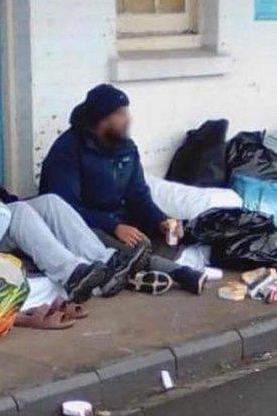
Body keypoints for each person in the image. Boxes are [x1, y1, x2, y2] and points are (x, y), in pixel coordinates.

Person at [0, 99, 151, 303]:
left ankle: (108, 262)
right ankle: (72, 275)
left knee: (49, 202)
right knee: (16, 211)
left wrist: (1, 199)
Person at [39, 84, 207, 295]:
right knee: (115, 248)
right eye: (120, 114)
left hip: (121, 220)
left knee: (164, 238)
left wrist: (160, 220)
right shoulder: (68, 150)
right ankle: (179, 273)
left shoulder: (126, 148)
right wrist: (113, 226)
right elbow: (65, 208)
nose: (128, 119)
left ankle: (136, 273)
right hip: (87, 224)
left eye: (126, 112)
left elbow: (138, 195)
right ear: (101, 119)